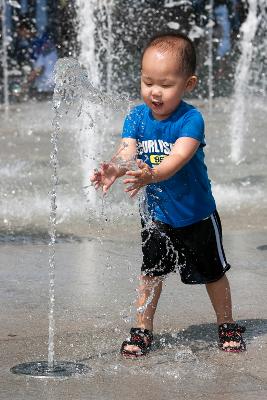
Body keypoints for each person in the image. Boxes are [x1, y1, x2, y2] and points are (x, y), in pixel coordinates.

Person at [90, 32, 246, 357]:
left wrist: (151, 174)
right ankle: (142, 328)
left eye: (165, 84)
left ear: (188, 84)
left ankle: (227, 323)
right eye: (148, 82)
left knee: (213, 273)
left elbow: (177, 159)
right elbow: (126, 152)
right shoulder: (135, 117)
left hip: (196, 215)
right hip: (157, 215)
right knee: (151, 273)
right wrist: (115, 168)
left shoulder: (191, 119)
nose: (154, 92)